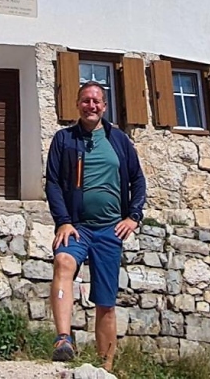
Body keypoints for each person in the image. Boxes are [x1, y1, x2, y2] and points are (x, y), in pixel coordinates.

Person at [45, 81, 146, 371]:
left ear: (104, 106)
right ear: (78, 105)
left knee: (106, 300)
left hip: (110, 229)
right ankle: (63, 339)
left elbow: (137, 180)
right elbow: (52, 182)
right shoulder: (64, 140)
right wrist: (63, 221)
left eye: (97, 101)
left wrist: (133, 217)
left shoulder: (120, 141)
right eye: (86, 100)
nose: (91, 105)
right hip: (77, 226)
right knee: (63, 261)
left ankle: (105, 367)